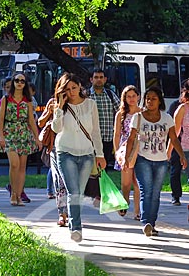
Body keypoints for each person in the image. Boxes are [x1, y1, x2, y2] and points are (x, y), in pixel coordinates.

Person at [51, 72, 106, 242]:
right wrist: (59, 108)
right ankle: (76, 228)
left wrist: (100, 154)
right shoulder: (60, 106)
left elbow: (96, 132)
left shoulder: (90, 105)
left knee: (79, 193)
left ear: (80, 87)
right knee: (73, 192)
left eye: (74, 88)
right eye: (67, 89)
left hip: (87, 154)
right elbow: (56, 129)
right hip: (65, 152)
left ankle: (74, 223)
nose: (72, 92)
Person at [126, 86, 187, 237]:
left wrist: (181, 155)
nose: (150, 101)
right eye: (148, 99)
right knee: (146, 191)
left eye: (154, 99)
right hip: (142, 159)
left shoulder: (166, 118)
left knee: (155, 193)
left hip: (161, 161)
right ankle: (146, 221)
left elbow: (173, 138)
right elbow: (131, 139)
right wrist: (127, 158)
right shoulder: (138, 117)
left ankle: (151, 224)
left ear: (160, 101)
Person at [0, 72, 42, 206]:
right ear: (13, 82)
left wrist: (37, 138)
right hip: (9, 132)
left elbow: (31, 120)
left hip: (24, 133)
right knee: (14, 164)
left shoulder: (27, 101)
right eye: (17, 80)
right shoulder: (6, 99)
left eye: (22, 81)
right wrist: (1, 135)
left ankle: (18, 195)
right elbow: (1, 119)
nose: (19, 83)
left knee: (22, 167)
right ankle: (13, 193)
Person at [87, 68, 120, 203]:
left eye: (101, 77)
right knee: (91, 167)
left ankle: (100, 193)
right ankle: (94, 193)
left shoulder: (111, 95)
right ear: (91, 79)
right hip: (90, 138)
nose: (99, 79)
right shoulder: (86, 96)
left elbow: (121, 111)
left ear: (105, 79)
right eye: (96, 77)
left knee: (103, 166)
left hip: (107, 137)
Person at [113, 85, 141, 219]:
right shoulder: (121, 114)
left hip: (139, 149)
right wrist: (117, 152)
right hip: (125, 150)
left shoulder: (142, 113)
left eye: (133, 96)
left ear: (138, 97)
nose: (131, 99)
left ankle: (137, 211)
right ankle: (125, 200)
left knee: (138, 182)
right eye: (128, 96)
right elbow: (117, 134)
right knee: (126, 182)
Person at [38, 97, 68, 226]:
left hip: (73, 147)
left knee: (71, 182)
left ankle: (72, 212)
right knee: (58, 181)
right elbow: (40, 122)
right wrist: (50, 112)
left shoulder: (76, 102)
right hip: (55, 147)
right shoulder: (52, 102)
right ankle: (62, 213)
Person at [168, 80, 189, 206]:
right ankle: (176, 196)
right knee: (175, 171)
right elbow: (174, 133)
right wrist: (169, 151)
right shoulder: (181, 108)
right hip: (184, 147)